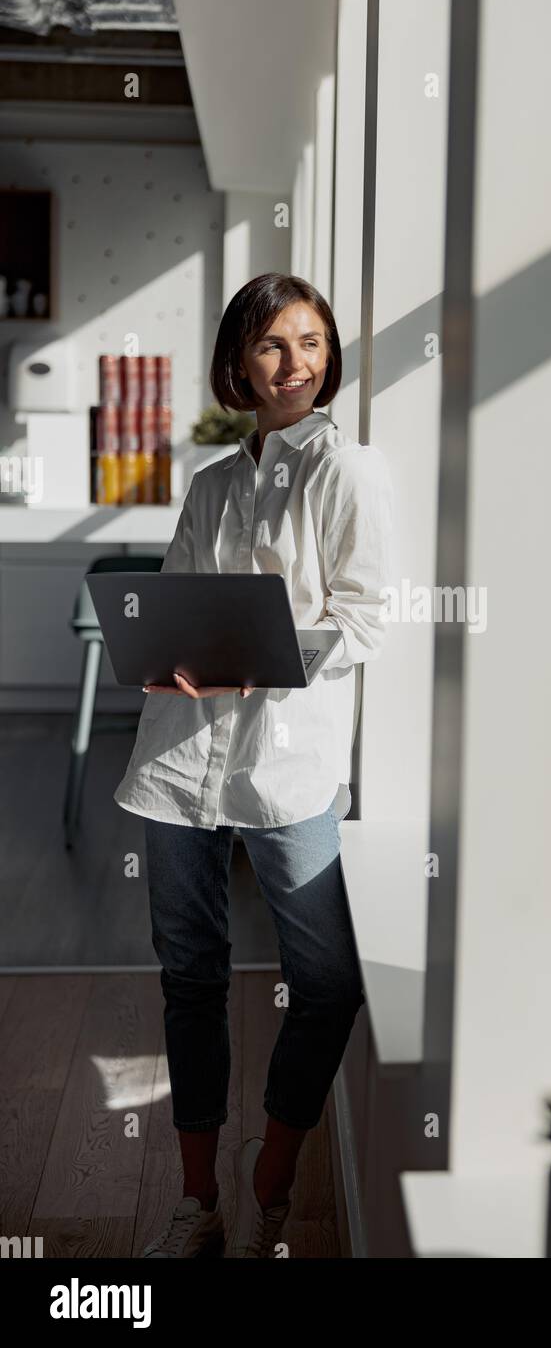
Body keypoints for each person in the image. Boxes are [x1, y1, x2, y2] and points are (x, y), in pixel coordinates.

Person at [113, 272, 394, 1257]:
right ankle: (197, 1201)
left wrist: (262, 653)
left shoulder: (346, 472)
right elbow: (175, 606)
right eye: (273, 345)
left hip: (288, 764)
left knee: (325, 981)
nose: (296, 363)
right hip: (181, 765)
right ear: (238, 362)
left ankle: (273, 1165)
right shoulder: (212, 484)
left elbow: (364, 617)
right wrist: (166, 654)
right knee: (188, 975)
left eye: (311, 342)